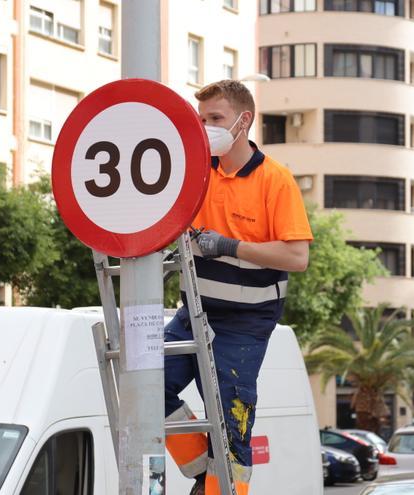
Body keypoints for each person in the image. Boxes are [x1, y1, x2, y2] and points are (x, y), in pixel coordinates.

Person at [163, 80, 313, 495]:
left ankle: (219, 486)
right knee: (146, 383)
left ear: (244, 121)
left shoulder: (274, 180)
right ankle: (201, 474)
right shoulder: (195, 172)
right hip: (194, 312)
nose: (204, 127)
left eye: (215, 119)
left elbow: (297, 257)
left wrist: (231, 246)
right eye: (201, 119)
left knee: (232, 423)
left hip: (246, 324)